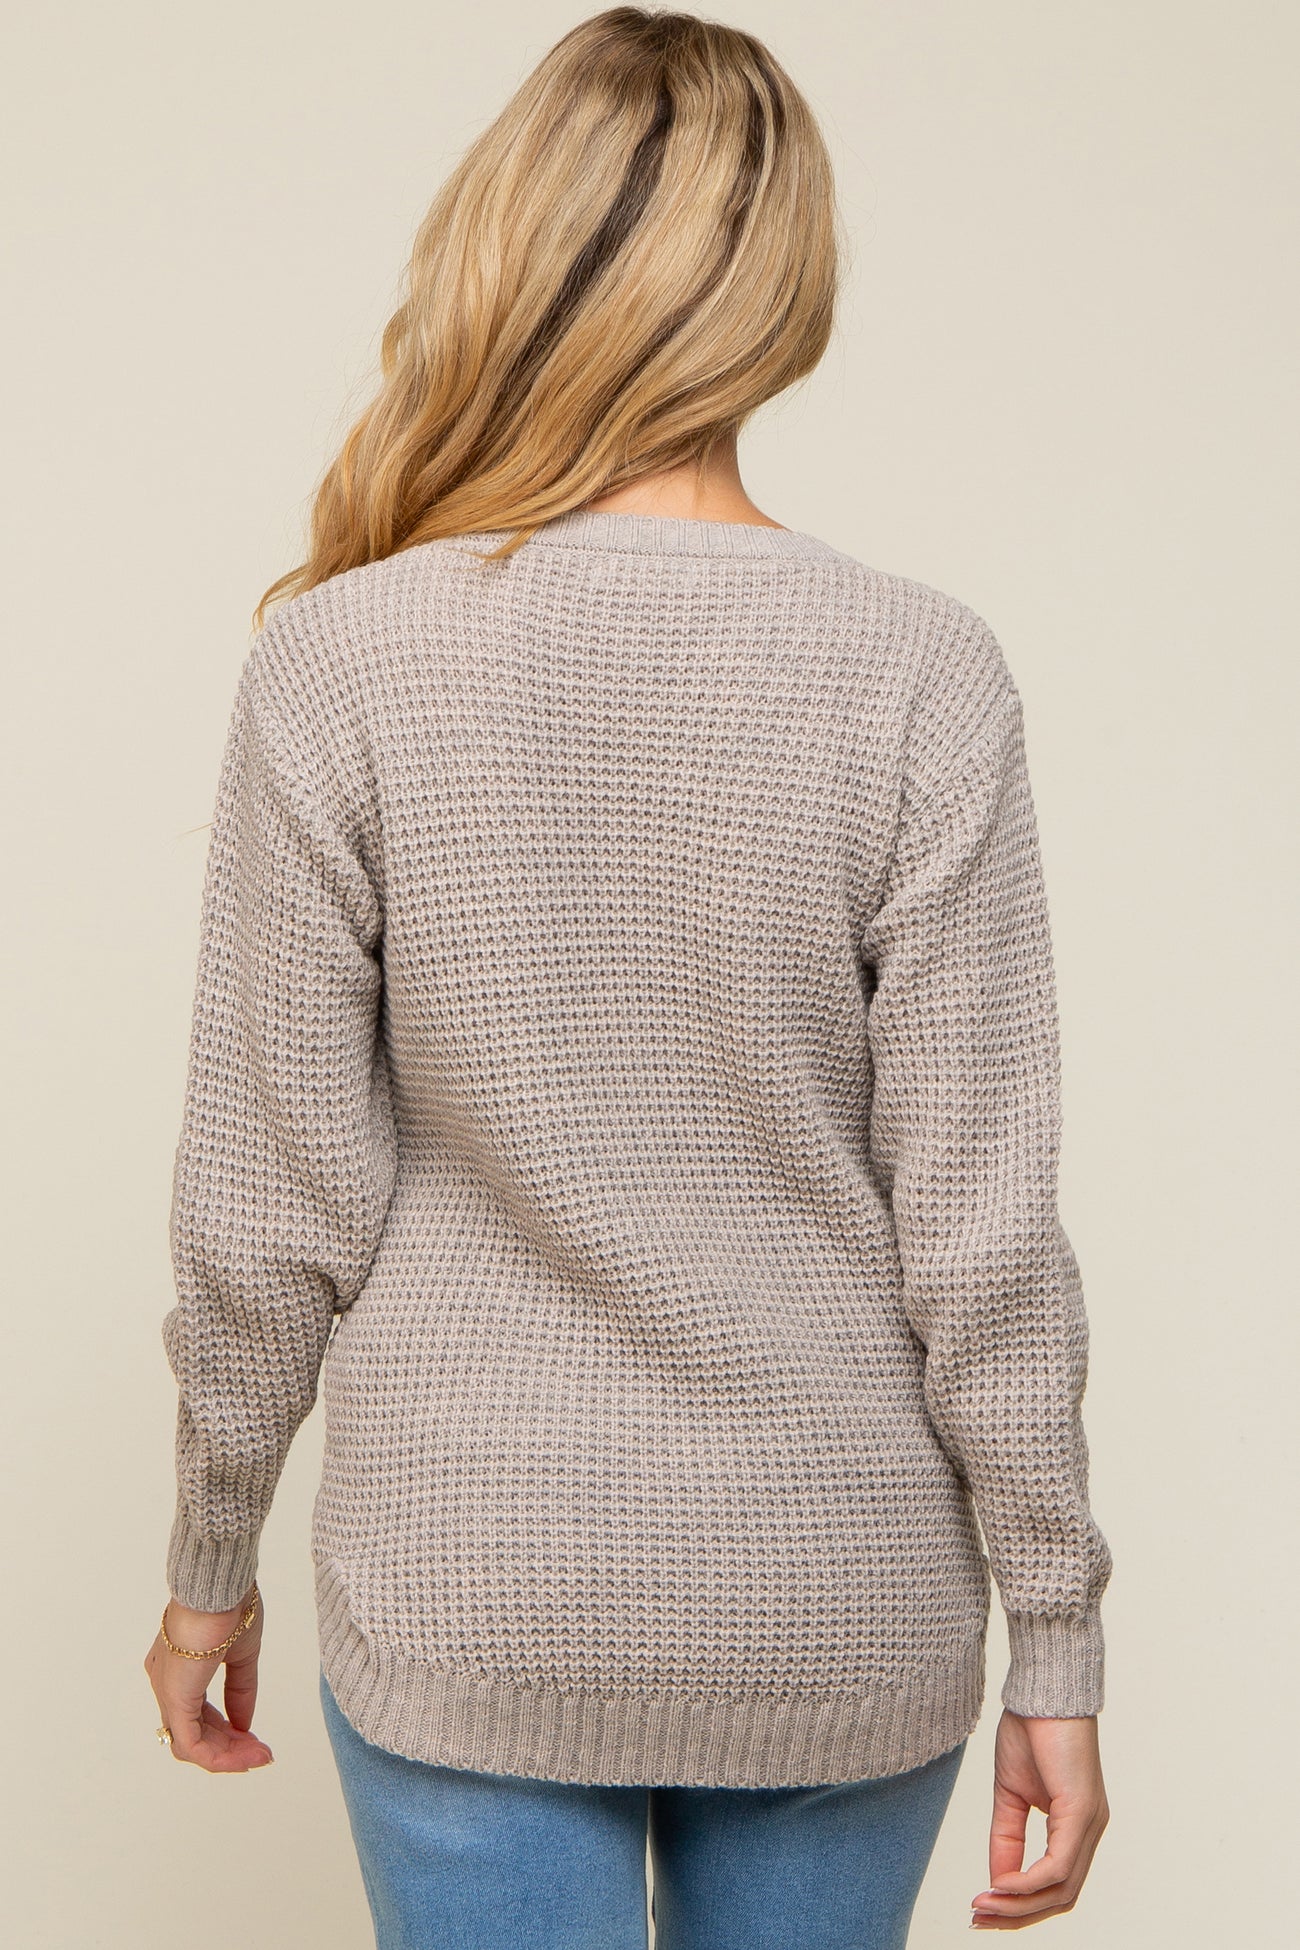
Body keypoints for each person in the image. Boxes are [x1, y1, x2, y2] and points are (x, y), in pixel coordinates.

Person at [142, 8, 1113, 1945]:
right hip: (836, 1595)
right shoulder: (920, 672)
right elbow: (982, 1229)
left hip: (469, 1585)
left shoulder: (341, 665)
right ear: (785, 290)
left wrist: (207, 1558)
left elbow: (268, 1206)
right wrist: (1058, 1642)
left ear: (505, 250)